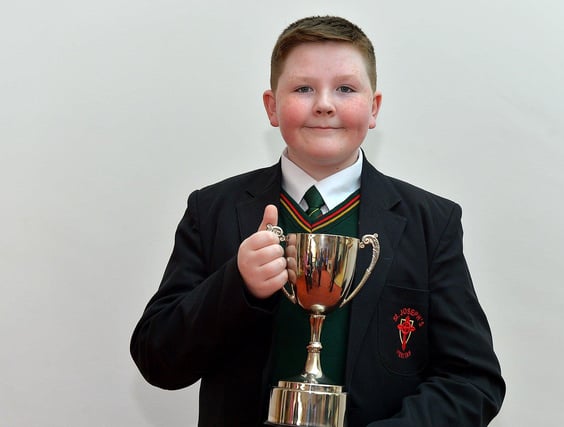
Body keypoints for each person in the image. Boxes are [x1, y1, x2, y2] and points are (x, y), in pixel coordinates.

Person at [130, 15, 505, 426]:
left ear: (374, 108)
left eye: (345, 88)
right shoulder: (213, 209)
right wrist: (237, 284)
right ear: (272, 107)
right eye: (303, 88)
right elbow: (158, 360)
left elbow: (473, 380)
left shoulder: (430, 223)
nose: (324, 103)